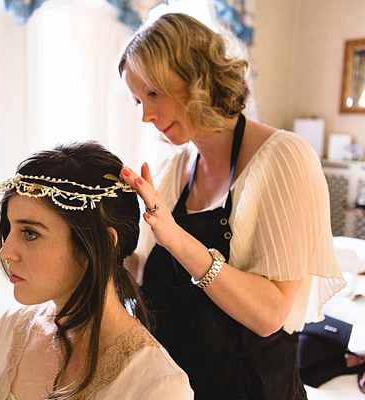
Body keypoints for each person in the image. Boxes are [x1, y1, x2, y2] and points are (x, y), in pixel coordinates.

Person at [117, 13, 347, 400]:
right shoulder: (173, 170)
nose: (146, 115)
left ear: (196, 74)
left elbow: (268, 315)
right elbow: (141, 280)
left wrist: (176, 238)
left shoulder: (285, 158)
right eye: (138, 100)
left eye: (153, 93)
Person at [0, 141, 193, 399]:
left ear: (100, 245)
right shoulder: (12, 326)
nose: (5, 252)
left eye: (30, 233)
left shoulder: (157, 385)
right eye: (10, 228)